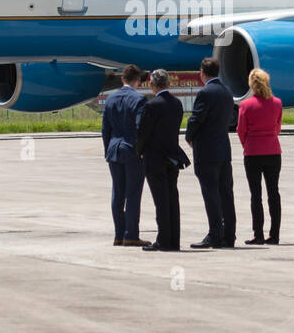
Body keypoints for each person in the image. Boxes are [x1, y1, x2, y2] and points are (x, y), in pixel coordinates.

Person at [185, 57, 237, 248]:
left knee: (211, 194)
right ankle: (229, 235)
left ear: (202, 73)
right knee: (226, 194)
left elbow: (196, 119)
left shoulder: (205, 93)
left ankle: (215, 234)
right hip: (223, 149)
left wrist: (189, 136)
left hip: (206, 151)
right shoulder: (226, 91)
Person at [136, 69, 189, 251]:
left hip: (155, 157)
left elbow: (143, 132)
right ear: (169, 83)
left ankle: (163, 239)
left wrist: (139, 151)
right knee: (172, 198)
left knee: (161, 200)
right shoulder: (177, 103)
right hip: (172, 156)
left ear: (152, 85)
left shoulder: (152, 105)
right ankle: (174, 239)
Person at [101, 65, 149, 246]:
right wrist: (141, 150)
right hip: (132, 151)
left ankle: (118, 234)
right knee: (133, 194)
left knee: (117, 193)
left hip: (114, 150)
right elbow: (140, 128)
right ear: (138, 81)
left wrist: (108, 150)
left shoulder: (110, 99)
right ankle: (131, 234)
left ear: (122, 79)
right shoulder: (139, 99)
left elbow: (105, 129)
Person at [237, 68, 283, 245]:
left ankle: (258, 235)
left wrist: (248, 144)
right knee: (274, 193)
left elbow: (241, 130)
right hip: (273, 151)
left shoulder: (245, 105)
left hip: (253, 152)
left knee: (256, 195)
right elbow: (277, 128)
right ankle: (275, 234)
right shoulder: (277, 103)